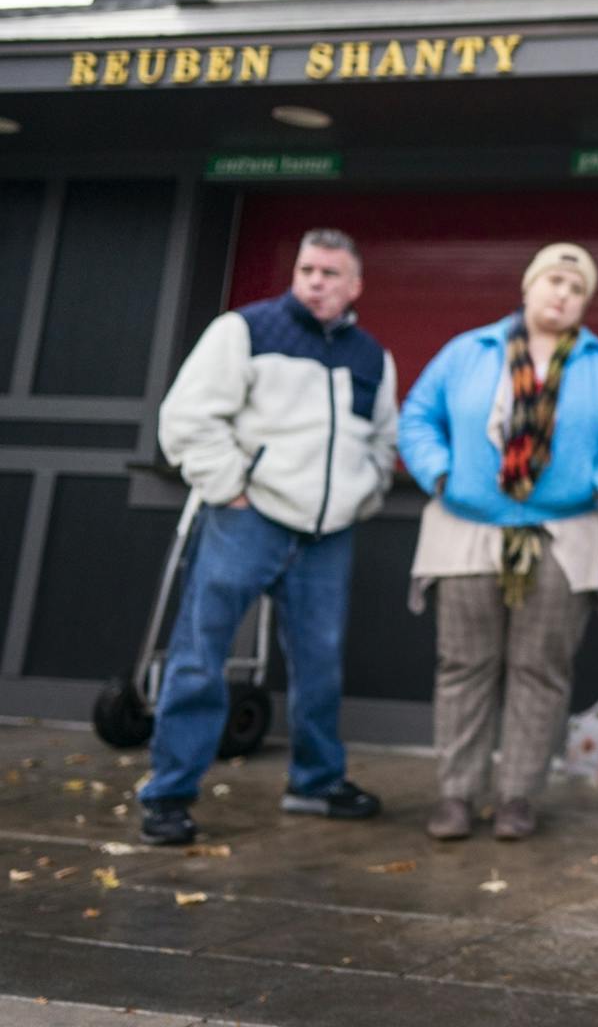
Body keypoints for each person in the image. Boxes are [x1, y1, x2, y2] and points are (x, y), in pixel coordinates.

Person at [141, 229, 398, 846]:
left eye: (331, 273)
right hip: (247, 517)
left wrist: (362, 494)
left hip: (327, 534)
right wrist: (230, 486)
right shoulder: (244, 330)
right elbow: (186, 416)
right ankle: (168, 795)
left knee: (320, 665)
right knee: (201, 655)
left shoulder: (373, 357)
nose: (315, 281)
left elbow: (383, 442)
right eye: (307, 268)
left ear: (355, 285)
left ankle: (315, 782)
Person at [397, 244, 598, 843]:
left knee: (540, 670)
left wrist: (597, 484)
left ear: (584, 302)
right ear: (527, 286)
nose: (561, 293)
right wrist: (440, 474)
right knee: (463, 667)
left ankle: (518, 796)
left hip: (563, 538)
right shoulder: (468, 351)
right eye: (552, 280)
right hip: (467, 533)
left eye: (575, 286)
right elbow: (417, 416)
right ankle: (456, 795)